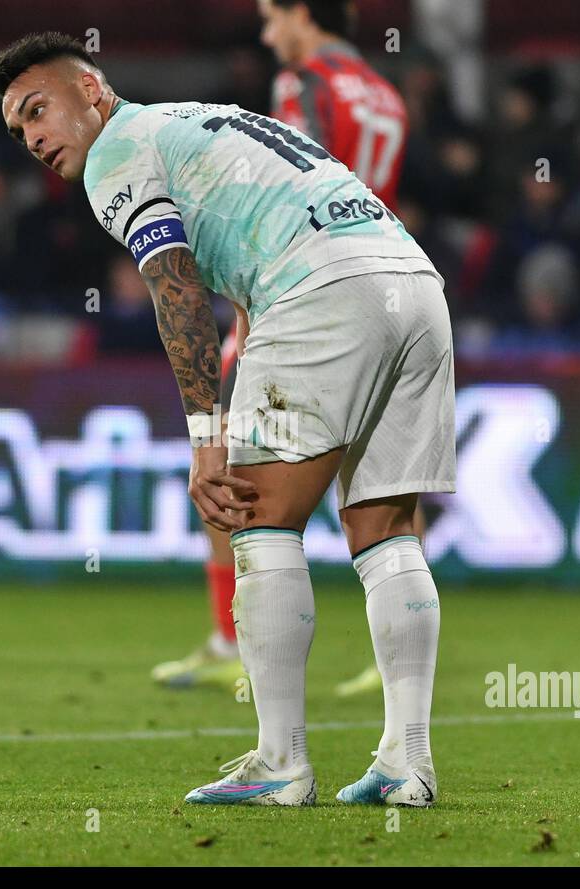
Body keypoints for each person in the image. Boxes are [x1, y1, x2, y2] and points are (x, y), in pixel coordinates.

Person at [0, 31, 455, 806]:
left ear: (94, 90)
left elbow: (176, 290)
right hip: (412, 283)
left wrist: (208, 440)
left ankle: (281, 762)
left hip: (319, 290)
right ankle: (409, 761)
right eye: (17, 130)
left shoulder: (116, 156)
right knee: (385, 525)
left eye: (38, 110)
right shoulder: (204, 120)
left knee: (255, 517)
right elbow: (236, 258)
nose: (32, 137)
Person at [152, 0, 421, 697]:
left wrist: (242, 307)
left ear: (304, 11)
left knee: (234, 476)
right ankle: (396, 655)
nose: (269, 35)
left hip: (301, 292)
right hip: (389, 284)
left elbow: (285, 191)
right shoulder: (386, 94)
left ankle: (235, 642)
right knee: (382, 488)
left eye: (274, 16)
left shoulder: (304, 84)